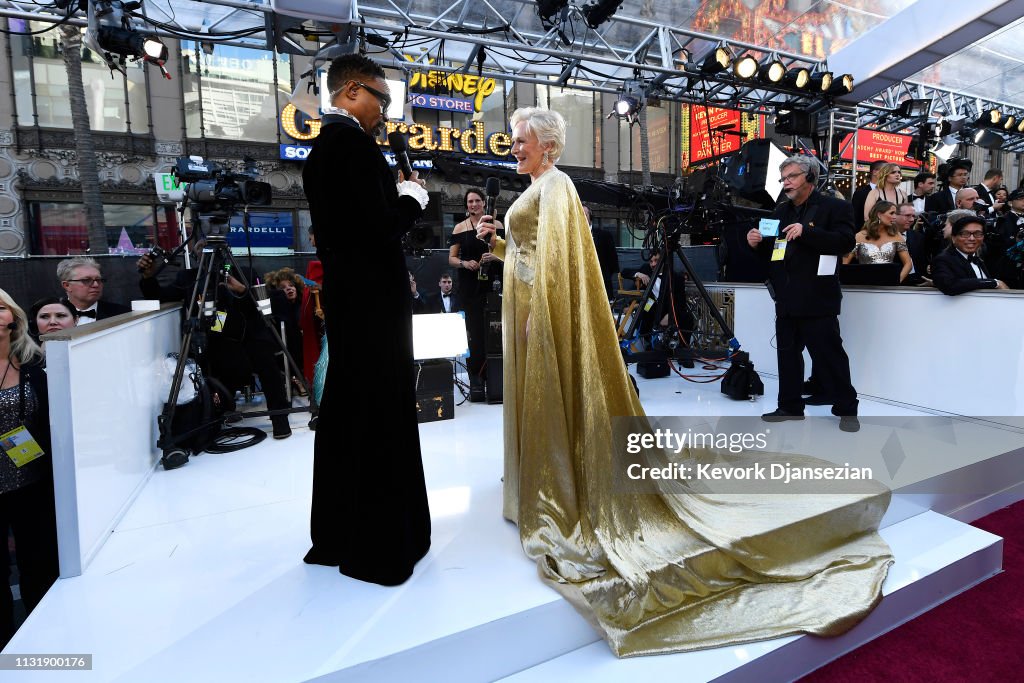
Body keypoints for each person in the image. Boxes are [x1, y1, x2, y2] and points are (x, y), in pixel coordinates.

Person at [475, 108, 891, 657]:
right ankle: (547, 479)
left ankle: (566, 483)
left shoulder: (556, 187)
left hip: (541, 314)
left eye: (523, 140)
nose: (516, 148)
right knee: (793, 355)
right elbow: (531, 259)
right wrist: (500, 247)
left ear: (547, 145)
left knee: (824, 354)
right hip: (532, 308)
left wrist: (542, 312)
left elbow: (558, 267)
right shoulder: (541, 188)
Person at [300, 53, 431, 586]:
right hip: (373, 307)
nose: (385, 111)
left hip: (356, 305)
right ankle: (379, 544)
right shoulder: (351, 148)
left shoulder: (328, 150)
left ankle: (340, 533)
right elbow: (375, 230)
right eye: (382, 98)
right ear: (353, 90)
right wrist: (411, 203)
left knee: (349, 413)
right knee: (379, 412)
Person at [746, 154, 860, 432]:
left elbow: (845, 243)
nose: (786, 183)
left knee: (829, 355)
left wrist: (807, 232)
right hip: (786, 297)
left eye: (792, 177)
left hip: (818, 297)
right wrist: (756, 243)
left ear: (809, 177)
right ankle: (790, 406)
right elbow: (773, 251)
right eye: (783, 178)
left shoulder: (835, 207)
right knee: (787, 355)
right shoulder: (779, 212)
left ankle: (847, 408)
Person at [0, 289, 59, 648]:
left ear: (13, 317)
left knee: (40, 566)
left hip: (34, 483)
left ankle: (48, 644)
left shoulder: (34, 367)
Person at [449, 188, 504, 401]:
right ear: (466, 205)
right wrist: (465, 263)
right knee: (474, 333)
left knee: (495, 332)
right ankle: (476, 380)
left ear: (484, 203)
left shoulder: (497, 225)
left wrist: (496, 257)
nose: (474, 205)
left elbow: (508, 252)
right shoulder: (460, 227)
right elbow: (452, 258)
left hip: (493, 283)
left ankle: (496, 379)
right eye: (470, 201)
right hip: (470, 286)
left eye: (477, 201)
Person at [931, 216, 1009, 295]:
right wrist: (994, 283)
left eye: (978, 234)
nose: (972, 238)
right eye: (965, 234)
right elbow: (949, 285)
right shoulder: (943, 260)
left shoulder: (980, 259)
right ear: (953, 238)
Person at [843, 201, 912, 283]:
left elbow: (908, 264)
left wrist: (897, 280)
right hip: (863, 286)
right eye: (891, 213)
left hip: (888, 287)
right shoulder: (859, 237)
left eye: (895, 214)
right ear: (879, 215)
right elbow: (844, 263)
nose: (894, 217)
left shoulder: (896, 235)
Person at [56, 256, 129, 323]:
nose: (96, 285)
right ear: (67, 285)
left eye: (98, 280)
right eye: (86, 280)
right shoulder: (50, 315)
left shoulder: (122, 314)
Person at [583, 205, 619, 300]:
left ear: (590, 216)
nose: (582, 217)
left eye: (584, 214)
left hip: (601, 283)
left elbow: (613, 261)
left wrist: (603, 275)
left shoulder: (604, 235)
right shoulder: (572, 237)